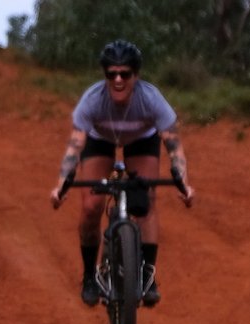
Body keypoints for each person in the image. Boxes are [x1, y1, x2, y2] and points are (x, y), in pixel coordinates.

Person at [50, 40, 195, 307]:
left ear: (135, 76)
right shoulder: (92, 101)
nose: (118, 79)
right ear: (105, 75)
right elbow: (74, 146)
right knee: (92, 206)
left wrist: (183, 183)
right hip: (100, 139)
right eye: (111, 74)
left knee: (146, 202)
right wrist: (61, 185)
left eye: (125, 74)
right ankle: (89, 276)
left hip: (141, 139)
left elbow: (173, 145)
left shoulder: (151, 99)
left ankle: (147, 275)